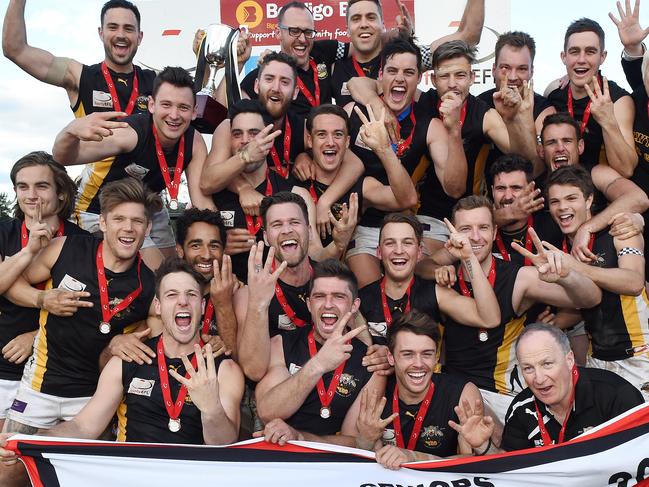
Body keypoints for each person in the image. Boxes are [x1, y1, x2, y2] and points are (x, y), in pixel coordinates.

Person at [0, 258, 243, 473]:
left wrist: (212, 409)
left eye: (191, 294)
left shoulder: (224, 369)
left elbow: (224, 447)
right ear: (158, 306)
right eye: (171, 295)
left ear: (202, 306)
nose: (182, 302)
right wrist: (29, 439)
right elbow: (84, 427)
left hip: (192, 478)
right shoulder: (128, 360)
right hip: (129, 476)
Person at [0, 178, 160, 486]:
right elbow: (11, 284)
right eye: (119, 219)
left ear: (147, 229)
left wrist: (122, 340)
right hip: (39, 387)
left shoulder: (149, 284)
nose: (128, 228)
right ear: (102, 221)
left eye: (137, 221)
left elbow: (151, 336)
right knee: (10, 468)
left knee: (83, 478)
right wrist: (41, 299)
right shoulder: (66, 248)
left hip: (93, 399)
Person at [436, 195, 602, 430]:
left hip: (503, 397)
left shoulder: (519, 278)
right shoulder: (443, 278)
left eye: (482, 228)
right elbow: (422, 266)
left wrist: (566, 276)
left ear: (495, 232)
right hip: (455, 394)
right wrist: (436, 267)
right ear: (452, 236)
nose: (474, 237)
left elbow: (592, 298)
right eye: (465, 229)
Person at [52, 66, 214, 269]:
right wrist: (70, 130)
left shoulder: (195, 142)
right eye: (166, 105)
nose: (174, 115)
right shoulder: (130, 133)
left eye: (183, 107)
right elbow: (63, 156)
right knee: (159, 272)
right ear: (152, 105)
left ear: (194, 111)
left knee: (175, 265)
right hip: (96, 209)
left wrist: (220, 237)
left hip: (147, 207)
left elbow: (202, 203)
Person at [345, 35, 467, 287]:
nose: (400, 78)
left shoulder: (429, 124)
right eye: (392, 71)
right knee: (370, 295)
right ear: (381, 76)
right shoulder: (353, 113)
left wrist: (454, 131)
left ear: (418, 79)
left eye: (408, 72)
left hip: (411, 221)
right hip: (366, 225)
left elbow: (454, 188)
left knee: (417, 289)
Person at [452, 323, 644, 454]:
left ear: (570, 360)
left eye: (547, 364)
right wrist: (484, 446)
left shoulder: (616, 395)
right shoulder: (522, 409)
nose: (539, 378)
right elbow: (512, 473)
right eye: (528, 368)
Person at [542, 166, 649, 400]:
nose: (563, 208)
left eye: (571, 198)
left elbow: (633, 283)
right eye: (555, 202)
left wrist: (576, 267)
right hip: (597, 361)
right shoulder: (559, 247)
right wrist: (554, 321)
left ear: (589, 200)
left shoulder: (620, 229)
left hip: (640, 357)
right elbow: (592, 301)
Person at [0, 152, 90, 431]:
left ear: (61, 193)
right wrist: (30, 251)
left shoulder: (83, 242)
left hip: (56, 368)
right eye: (22, 187)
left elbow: (88, 308)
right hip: (5, 361)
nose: (31, 195)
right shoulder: (5, 232)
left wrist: (36, 336)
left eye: (41, 186)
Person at [254, 259, 380, 446]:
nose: (328, 304)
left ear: (354, 305)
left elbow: (357, 442)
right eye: (319, 296)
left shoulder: (370, 362)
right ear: (309, 304)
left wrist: (300, 438)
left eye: (338, 296)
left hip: (331, 466)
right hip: (278, 456)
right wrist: (318, 364)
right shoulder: (282, 344)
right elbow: (267, 411)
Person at [351, 311, 483, 469]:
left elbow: (472, 463)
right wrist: (365, 441)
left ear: (436, 357)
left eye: (427, 354)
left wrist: (413, 457)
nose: (418, 364)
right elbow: (350, 461)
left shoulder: (462, 393)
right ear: (391, 357)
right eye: (408, 354)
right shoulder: (376, 391)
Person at [359, 213, 500, 346]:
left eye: (407, 243)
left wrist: (468, 257)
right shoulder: (362, 299)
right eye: (390, 243)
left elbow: (489, 319)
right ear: (379, 252)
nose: (399, 250)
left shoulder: (436, 293)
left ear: (419, 252)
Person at [2, 0, 154, 118]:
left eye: (128, 28)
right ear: (101, 33)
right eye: (113, 27)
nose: (121, 35)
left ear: (139, 37)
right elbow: (14, 49)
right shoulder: (78, 76)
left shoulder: (158, 82)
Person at [331, 0, 485, 106]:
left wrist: (407, 38)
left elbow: (469, 36)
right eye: (356, 19)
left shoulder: (406, 57)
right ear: (347, 28)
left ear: (382, 24)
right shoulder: (332, 67)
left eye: (371, 17)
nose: (364, 24)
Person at [546, 18, 637, 177]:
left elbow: (627, 169)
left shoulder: (619, 100)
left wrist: (608, 121)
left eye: (590, 52)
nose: (581, 60)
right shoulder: (553, 91)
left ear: (602, 56)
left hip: (601, 192)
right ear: (564, 57)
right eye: (574, 52)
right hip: (560, 188)